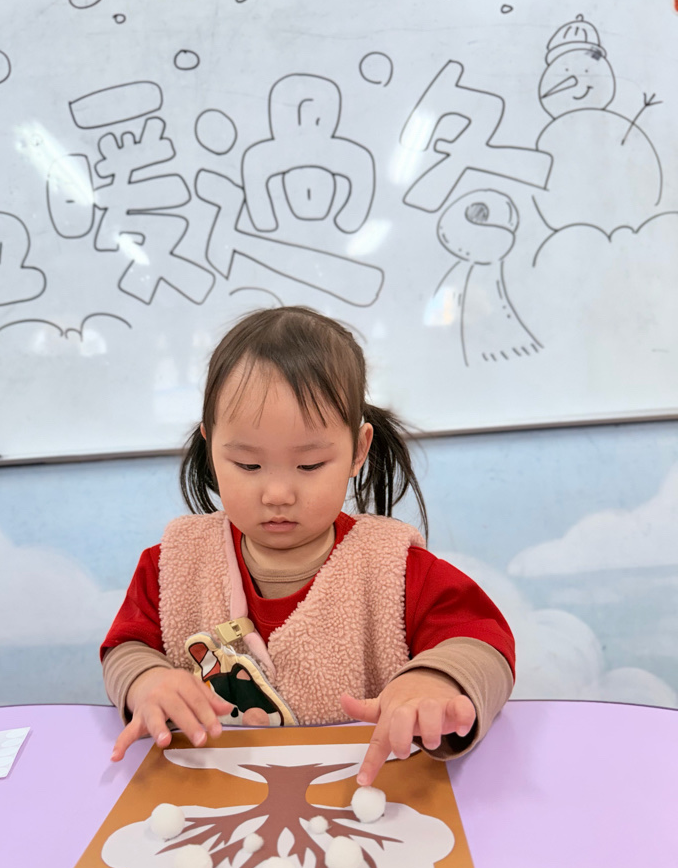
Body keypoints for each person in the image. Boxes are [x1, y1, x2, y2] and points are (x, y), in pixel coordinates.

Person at [102, 306, 514, 785]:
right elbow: (126, 647)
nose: (278, 494)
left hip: (360, 798)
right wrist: (145, 681)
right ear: (211, 446)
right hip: (212, 797)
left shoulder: (396, 569)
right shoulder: (173, 564)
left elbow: (484, 644)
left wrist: (435, 682)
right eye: (248, 466)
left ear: (358, 450)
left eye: (310, 465)